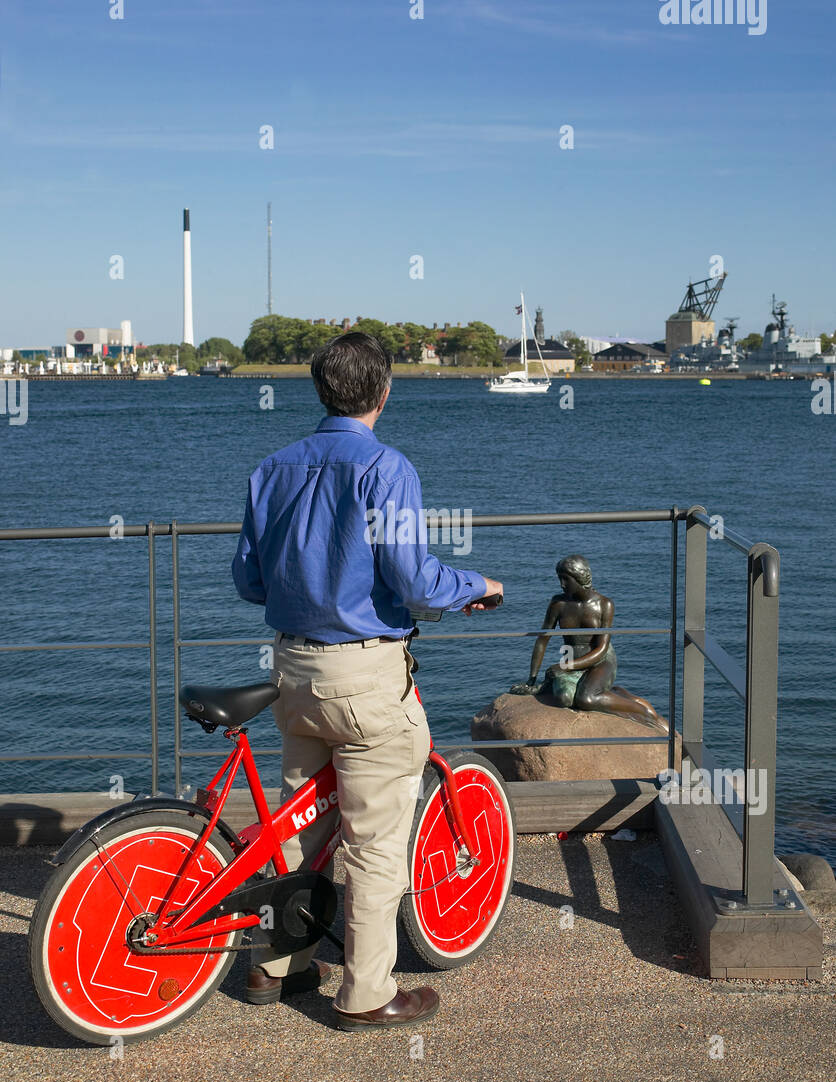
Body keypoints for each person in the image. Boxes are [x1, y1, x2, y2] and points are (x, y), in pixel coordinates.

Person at [231, 332, 503, 1031]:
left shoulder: (272, 468)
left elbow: (248, 580)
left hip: (291, 669)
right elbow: (413, 579)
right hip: (366, 675)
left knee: (299, 823)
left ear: (322, 389)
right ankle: (367, 994)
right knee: (377, 838)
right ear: (384, 393)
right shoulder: (386, 469)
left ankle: (278, 963)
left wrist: (310, 586)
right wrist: (475, 584)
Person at [510, 554, 667, 731]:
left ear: (580, 578)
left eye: (566, 579)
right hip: (570, 657)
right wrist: (532, 679)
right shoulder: (558, 603)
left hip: (600, 661)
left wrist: (565, 667)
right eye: (560, 579)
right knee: (564, 699)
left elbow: (601, 649)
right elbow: (542, 640)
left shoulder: (604, 604)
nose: (562, 584)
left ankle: (643, 711)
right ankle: (611, 693)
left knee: (587, 698)